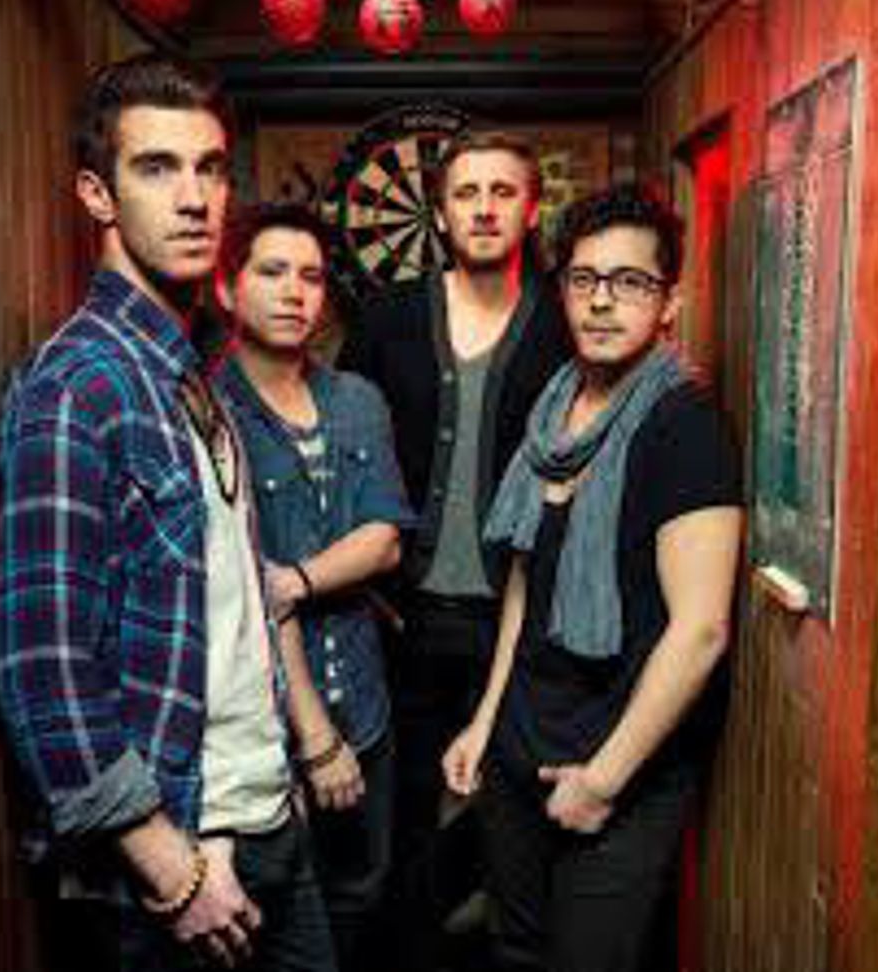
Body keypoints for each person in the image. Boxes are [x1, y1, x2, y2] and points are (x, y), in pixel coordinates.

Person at [0, 55, 336, 972]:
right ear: (96, 194)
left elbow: (230, 607)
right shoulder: (76, 388)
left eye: (210, 168)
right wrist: (171, 870)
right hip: (182, 855)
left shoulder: (189, 371)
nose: (194, 198)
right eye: (157, 168)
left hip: (267, 819)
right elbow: (41, 665)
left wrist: (287, 769)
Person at [442, 183, 744, 972]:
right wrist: (486, 720)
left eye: (631, 282)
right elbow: (526, 579)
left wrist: (603, 782)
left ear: (669, 302)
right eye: (584, 279)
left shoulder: (683, 425)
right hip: (520, 746)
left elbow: (702, 630)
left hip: (617, 769)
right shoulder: (554, 408)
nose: (603, 301)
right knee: (514, 948)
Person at [338, 130, 571, 970]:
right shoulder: (389, 318)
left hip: (523, 624)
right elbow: (343, 444)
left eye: (503, 192)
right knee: (399, 819)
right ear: (439, 212)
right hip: (401, 619)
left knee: (516, 816)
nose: (483, 209)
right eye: (466, 193)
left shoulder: (565, 323)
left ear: (531, 209)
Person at [211, 203, 412, 972]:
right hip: (264, 725)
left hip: (364, 699)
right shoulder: (209, 409)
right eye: (272, 272)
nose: (295, 292)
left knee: (364, 890)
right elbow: (247, 590)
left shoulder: (357, 400)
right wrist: (316, 738)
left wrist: (296, 579)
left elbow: (385, 539)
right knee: (274, 912)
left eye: (311, 276)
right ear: (227, 288)